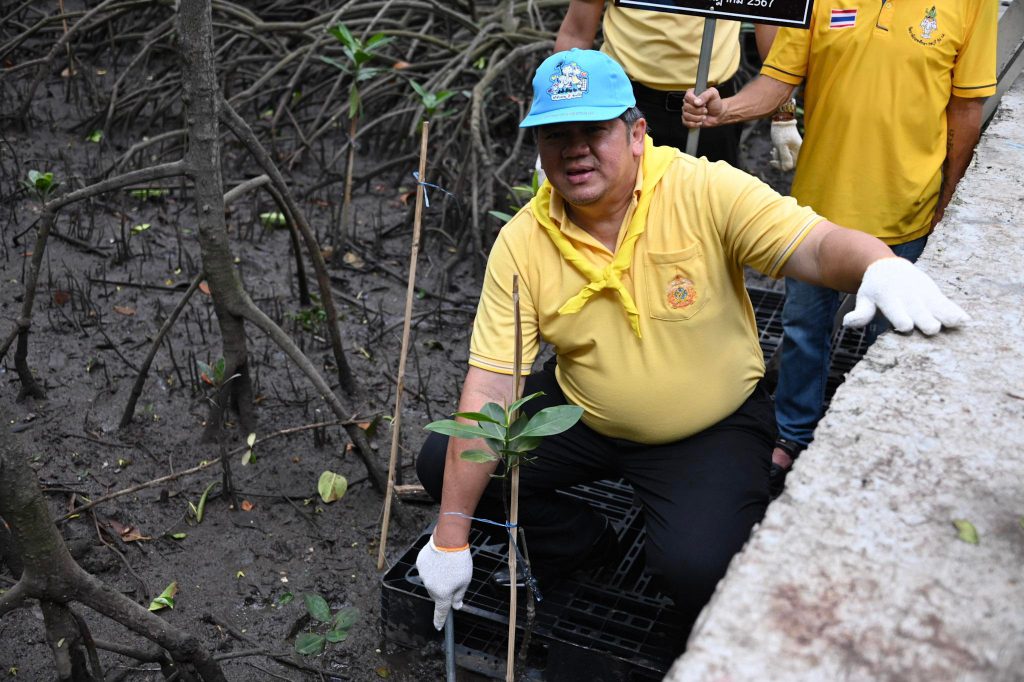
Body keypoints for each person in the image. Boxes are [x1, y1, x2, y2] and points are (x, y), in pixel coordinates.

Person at [415, 49, 968, 635]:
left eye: (594, 130)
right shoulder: (524, 240)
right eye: (556, 135)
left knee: (698, 571)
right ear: (539, 148)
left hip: (711, 424)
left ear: (635, 134)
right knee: (444, 465)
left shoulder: (702, 188)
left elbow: (812, 244)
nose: (575, 148)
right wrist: (451, 534)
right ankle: (582, 543)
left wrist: (878, 267)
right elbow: (494, 380)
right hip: (587, 414)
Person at [682, 0, 996, 491]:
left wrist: (949, 201)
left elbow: (966, 106)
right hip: (818, 214)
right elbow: (778, 80)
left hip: (906, 206)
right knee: (804, 331)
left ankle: (865, 447)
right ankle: (792, 434)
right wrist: (724, 110)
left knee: (889, 347)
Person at [554, 0, 794, 167]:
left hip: (712, 106)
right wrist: (557, 125)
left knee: (708, 213)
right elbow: (575, 34)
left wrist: (784, 114)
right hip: (625, 102)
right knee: (622, 216)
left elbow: (776, 56)